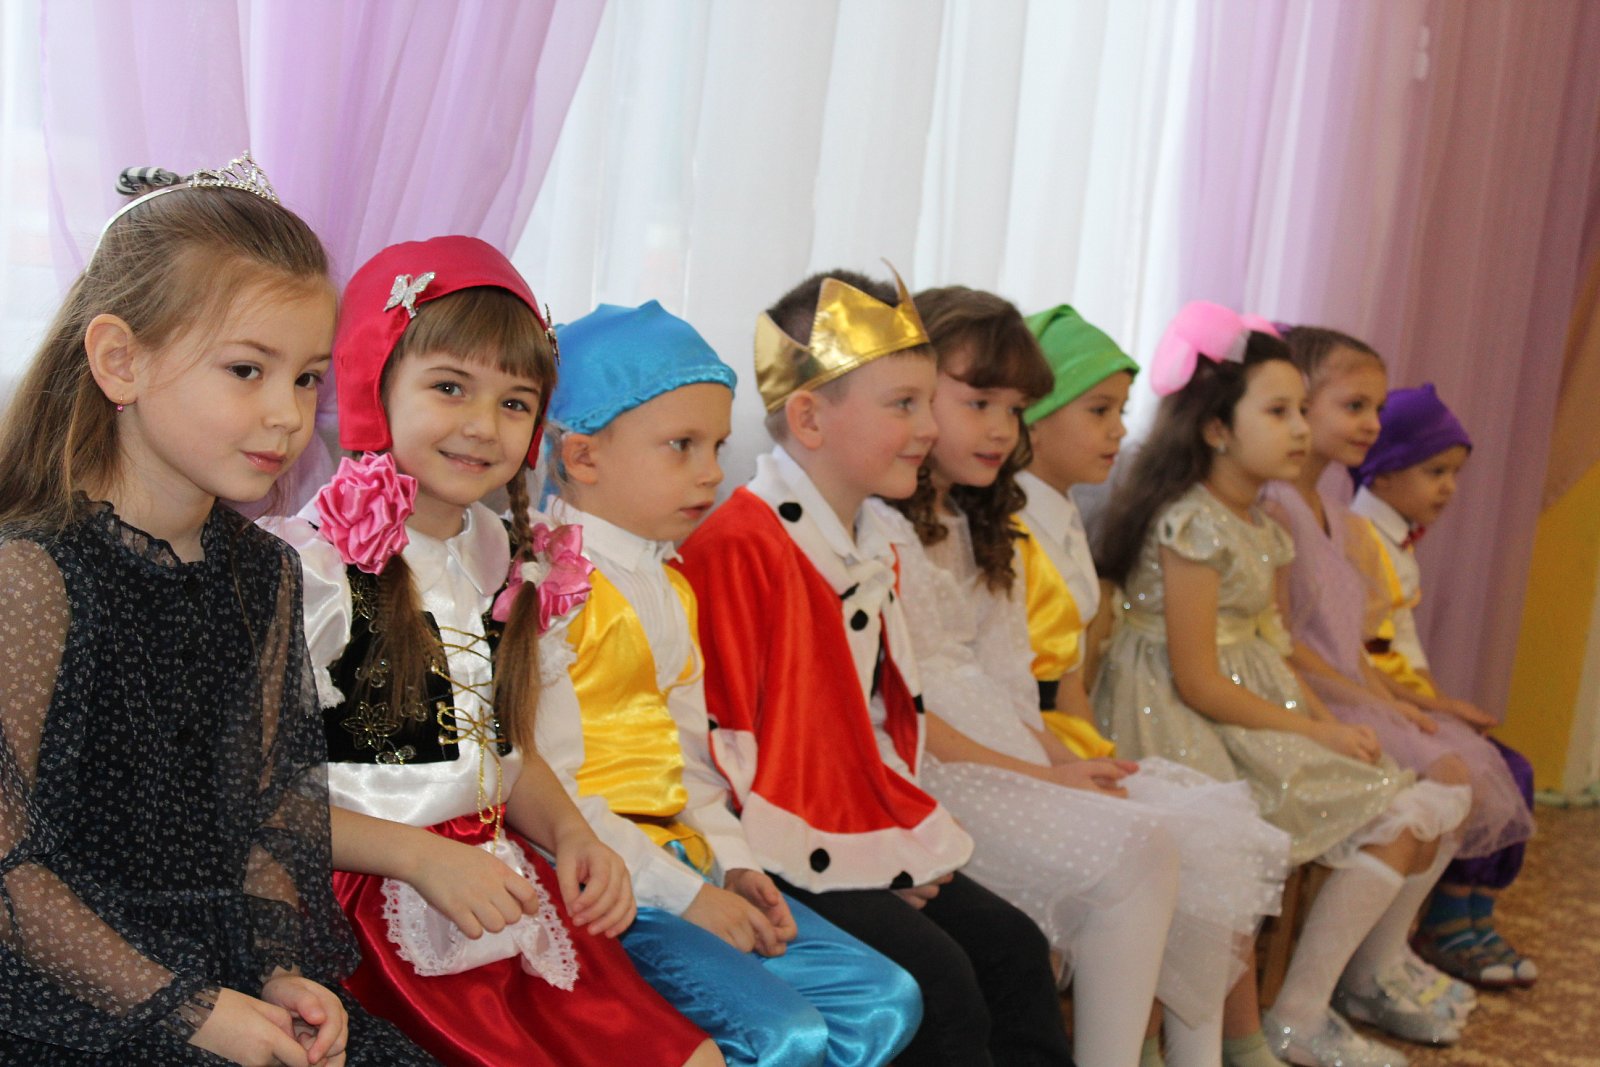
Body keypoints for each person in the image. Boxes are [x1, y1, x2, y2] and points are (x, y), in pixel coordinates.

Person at [0, 156, 434, 1065]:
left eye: (307, 378)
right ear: (121, 360)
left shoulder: (264, 572)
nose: (287, 415)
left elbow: (267, 815)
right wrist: (188, 1009)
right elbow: (10, 871)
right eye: (247, 369)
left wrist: (277, 970)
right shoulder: (31, 574)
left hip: (221, 975)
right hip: (65, 994)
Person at [267, 236, 719, 1067]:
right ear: (374, 384)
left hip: (501, 880)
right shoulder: (312, 570)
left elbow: (506, 753)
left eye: (515, 402)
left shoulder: (510, 556)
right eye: (449, 387)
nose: (483, 425)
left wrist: (573, 835)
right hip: (368, 905)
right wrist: (418, 853)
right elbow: (254, 800)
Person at [880, 287, 1290, 1067]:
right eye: (979, 403)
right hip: (929, 764)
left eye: (1014, 408)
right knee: (1140, 847)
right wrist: (1042, 776)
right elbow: (905, 711)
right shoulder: (879, 531)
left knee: (1205, 835)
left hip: (998, 746)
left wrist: (1061, 763)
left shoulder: (977, 521)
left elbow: (1006, 686)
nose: (1001, 429)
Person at [677, 268, 1074, 1067]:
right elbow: (725, 754)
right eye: (903, 403)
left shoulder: (869, 541)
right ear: (809, 417)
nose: (928, 426)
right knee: (942, 986)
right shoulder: (741, 547)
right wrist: (870, 860)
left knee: (1015, 949)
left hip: (848, 826)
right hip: (766, 843)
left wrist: (891, 844)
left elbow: (877, 727)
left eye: (927, 402)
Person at [541, 299, 922, 1066]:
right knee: (785, 1034)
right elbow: (549, 792)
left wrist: (733, 860)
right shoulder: (548, 588)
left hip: (683, 856)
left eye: (716, 445)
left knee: (885, 997)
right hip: (598, 878)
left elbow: (692, 759)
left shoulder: (669, 582)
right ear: (582, 456)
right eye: (681, 446)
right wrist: (689, 895)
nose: (712, 470)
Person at [1093, 302, 1471, 1067]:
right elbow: (1197, 679)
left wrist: (1329, 721)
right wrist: (1312, 730)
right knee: (1232, 851)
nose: (1300, 428)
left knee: (1390, 799)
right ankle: (1196, 1039)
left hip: (1243, 707)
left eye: (1302, 409)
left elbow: (1275, 649)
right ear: (1215, 428)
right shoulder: (1192, 523)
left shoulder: (1262, 525)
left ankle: (1249, 1031)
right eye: (1278, 411)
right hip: (1171, 715)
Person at [1016, 302, 1296, 1067]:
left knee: (1220, 836)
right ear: (1034, 418)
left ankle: (1198, 1050)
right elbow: (1020, 689)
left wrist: (1102, 756)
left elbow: (1069, 680)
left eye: (1123, 411)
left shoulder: (1063, 515)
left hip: (1067, 740)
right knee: (1177, 841)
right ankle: (1156, 1047)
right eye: (1099, 410)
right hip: (1024, 747)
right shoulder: (1013, 525)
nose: (1118, 430)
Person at [1261, 329, 1532, 1011]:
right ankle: (1340, 984)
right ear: (1301, 403)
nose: (1371, 425)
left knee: (1458, 770)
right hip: (1298, 697)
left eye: (1376, 410)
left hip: (1340, 689)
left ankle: (1379, 961)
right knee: (1442, 776)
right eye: (1354, 406)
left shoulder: (1336, 516)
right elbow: (1284, 644)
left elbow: (1351, 646)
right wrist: (1377, 705)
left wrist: (1407, 702)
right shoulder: (1274, 507)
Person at [1349, 383, 1537, 988]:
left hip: (1403, 697)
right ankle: (1447, 924)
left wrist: (1442, 705)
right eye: (1435, 472)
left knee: (1511, 768)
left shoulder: (1395, 539)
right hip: (1373, 703)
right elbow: (1363, 653)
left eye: (1454, 473)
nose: (1449, 488)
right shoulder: (1362, 540)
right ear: (1383, 473)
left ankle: (1474, 916)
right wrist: (1434, 709)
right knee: (1491, 771)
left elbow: (1407, 649)